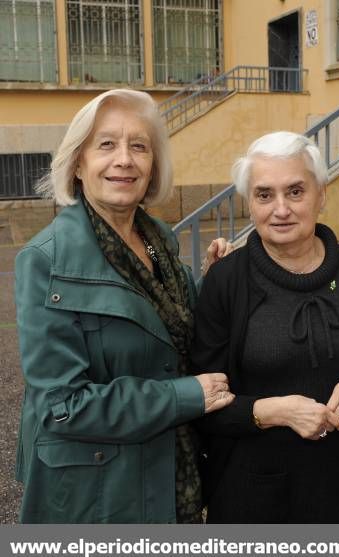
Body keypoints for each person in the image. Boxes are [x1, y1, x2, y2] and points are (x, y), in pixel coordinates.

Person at [14, 89, 234, 523]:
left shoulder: (160, 241)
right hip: (100, 494)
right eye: (107, 144)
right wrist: (186, 396)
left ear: (153, 164)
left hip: (171, 474)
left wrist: (212, 283)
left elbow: (167, 334)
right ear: (79, 162)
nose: (124, 159)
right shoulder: (46, 260)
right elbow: (64, 404)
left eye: (139, 146)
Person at [192, 131, 339, 523]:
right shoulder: (226, 281)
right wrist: (271, 412)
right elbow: (202, 403)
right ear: (249, 203)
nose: (281, 209)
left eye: (295, 192)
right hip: (250, 497)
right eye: (264, 195)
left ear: (321, 194)